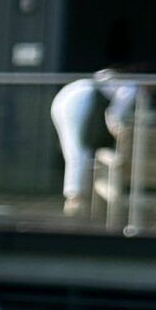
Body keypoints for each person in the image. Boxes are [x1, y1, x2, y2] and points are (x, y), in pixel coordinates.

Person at [49, 68, 123, 215]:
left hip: (63, 99)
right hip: (76, 101)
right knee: (78, 150)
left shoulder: (97, 82)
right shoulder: (130, 87)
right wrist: (117, 130)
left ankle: (75, 196)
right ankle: (74, 198)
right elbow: (115, 115)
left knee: (74, 150)